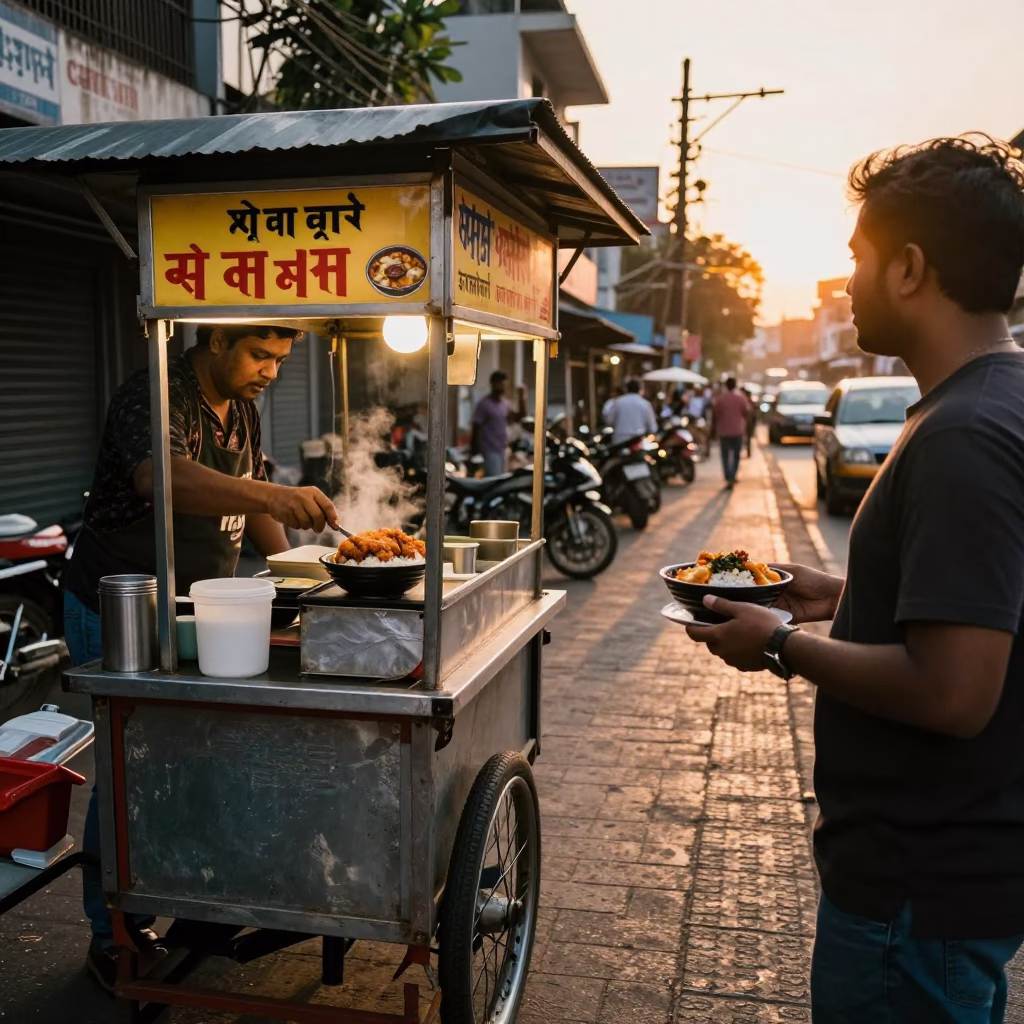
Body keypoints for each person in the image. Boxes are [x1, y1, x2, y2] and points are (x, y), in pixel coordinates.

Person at [684, 137, 1024, 1022]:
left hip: (917, 887)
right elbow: (985, 603)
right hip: (943, 872)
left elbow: (955, 693)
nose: (845, 287)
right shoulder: (992, 402)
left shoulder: (965, 435)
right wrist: (845, 596)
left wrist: (782, 643)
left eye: (855, 264)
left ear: (909, 269)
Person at [64, 323, 339, 992]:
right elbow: (161, 477)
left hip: (195, 608)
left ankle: (184, 898)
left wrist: (309, 571)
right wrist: (273, 495)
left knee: (194, 754)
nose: (271, 371)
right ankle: (114, 937)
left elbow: (254, 504)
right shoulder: (154, 394)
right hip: (122, 606)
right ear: (217, 340)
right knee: (129, 770)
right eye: (259, 355)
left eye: (280, 358)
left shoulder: (241, 407)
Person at [470, 369, 526, 477]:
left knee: (501, 479)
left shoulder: (505, 404)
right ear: (493, 384)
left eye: (503, 384)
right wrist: (474, 450)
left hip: (503, 449)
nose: (501, 386)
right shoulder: (484, 404)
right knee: (493, 479)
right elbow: (476, 427)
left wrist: (522, 398)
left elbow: (519, 417)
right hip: (489, 450)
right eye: (499, 383)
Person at [711, 377, 749, 486]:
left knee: (725, 456)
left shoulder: (721, 399)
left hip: (724, 432)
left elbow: (715, 415)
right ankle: (732, 475)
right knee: (736, 455)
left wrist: (713, 431)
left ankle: (728, 476)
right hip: (737, 431)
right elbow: (746, 413)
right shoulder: (741, 398)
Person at [607, 378, 657, 445]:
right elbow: (653, 427)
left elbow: (609, 420)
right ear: (640, 389)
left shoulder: (618, 402)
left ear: (626, 389)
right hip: (637, 441)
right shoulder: (645, 404)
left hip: (619, 440)